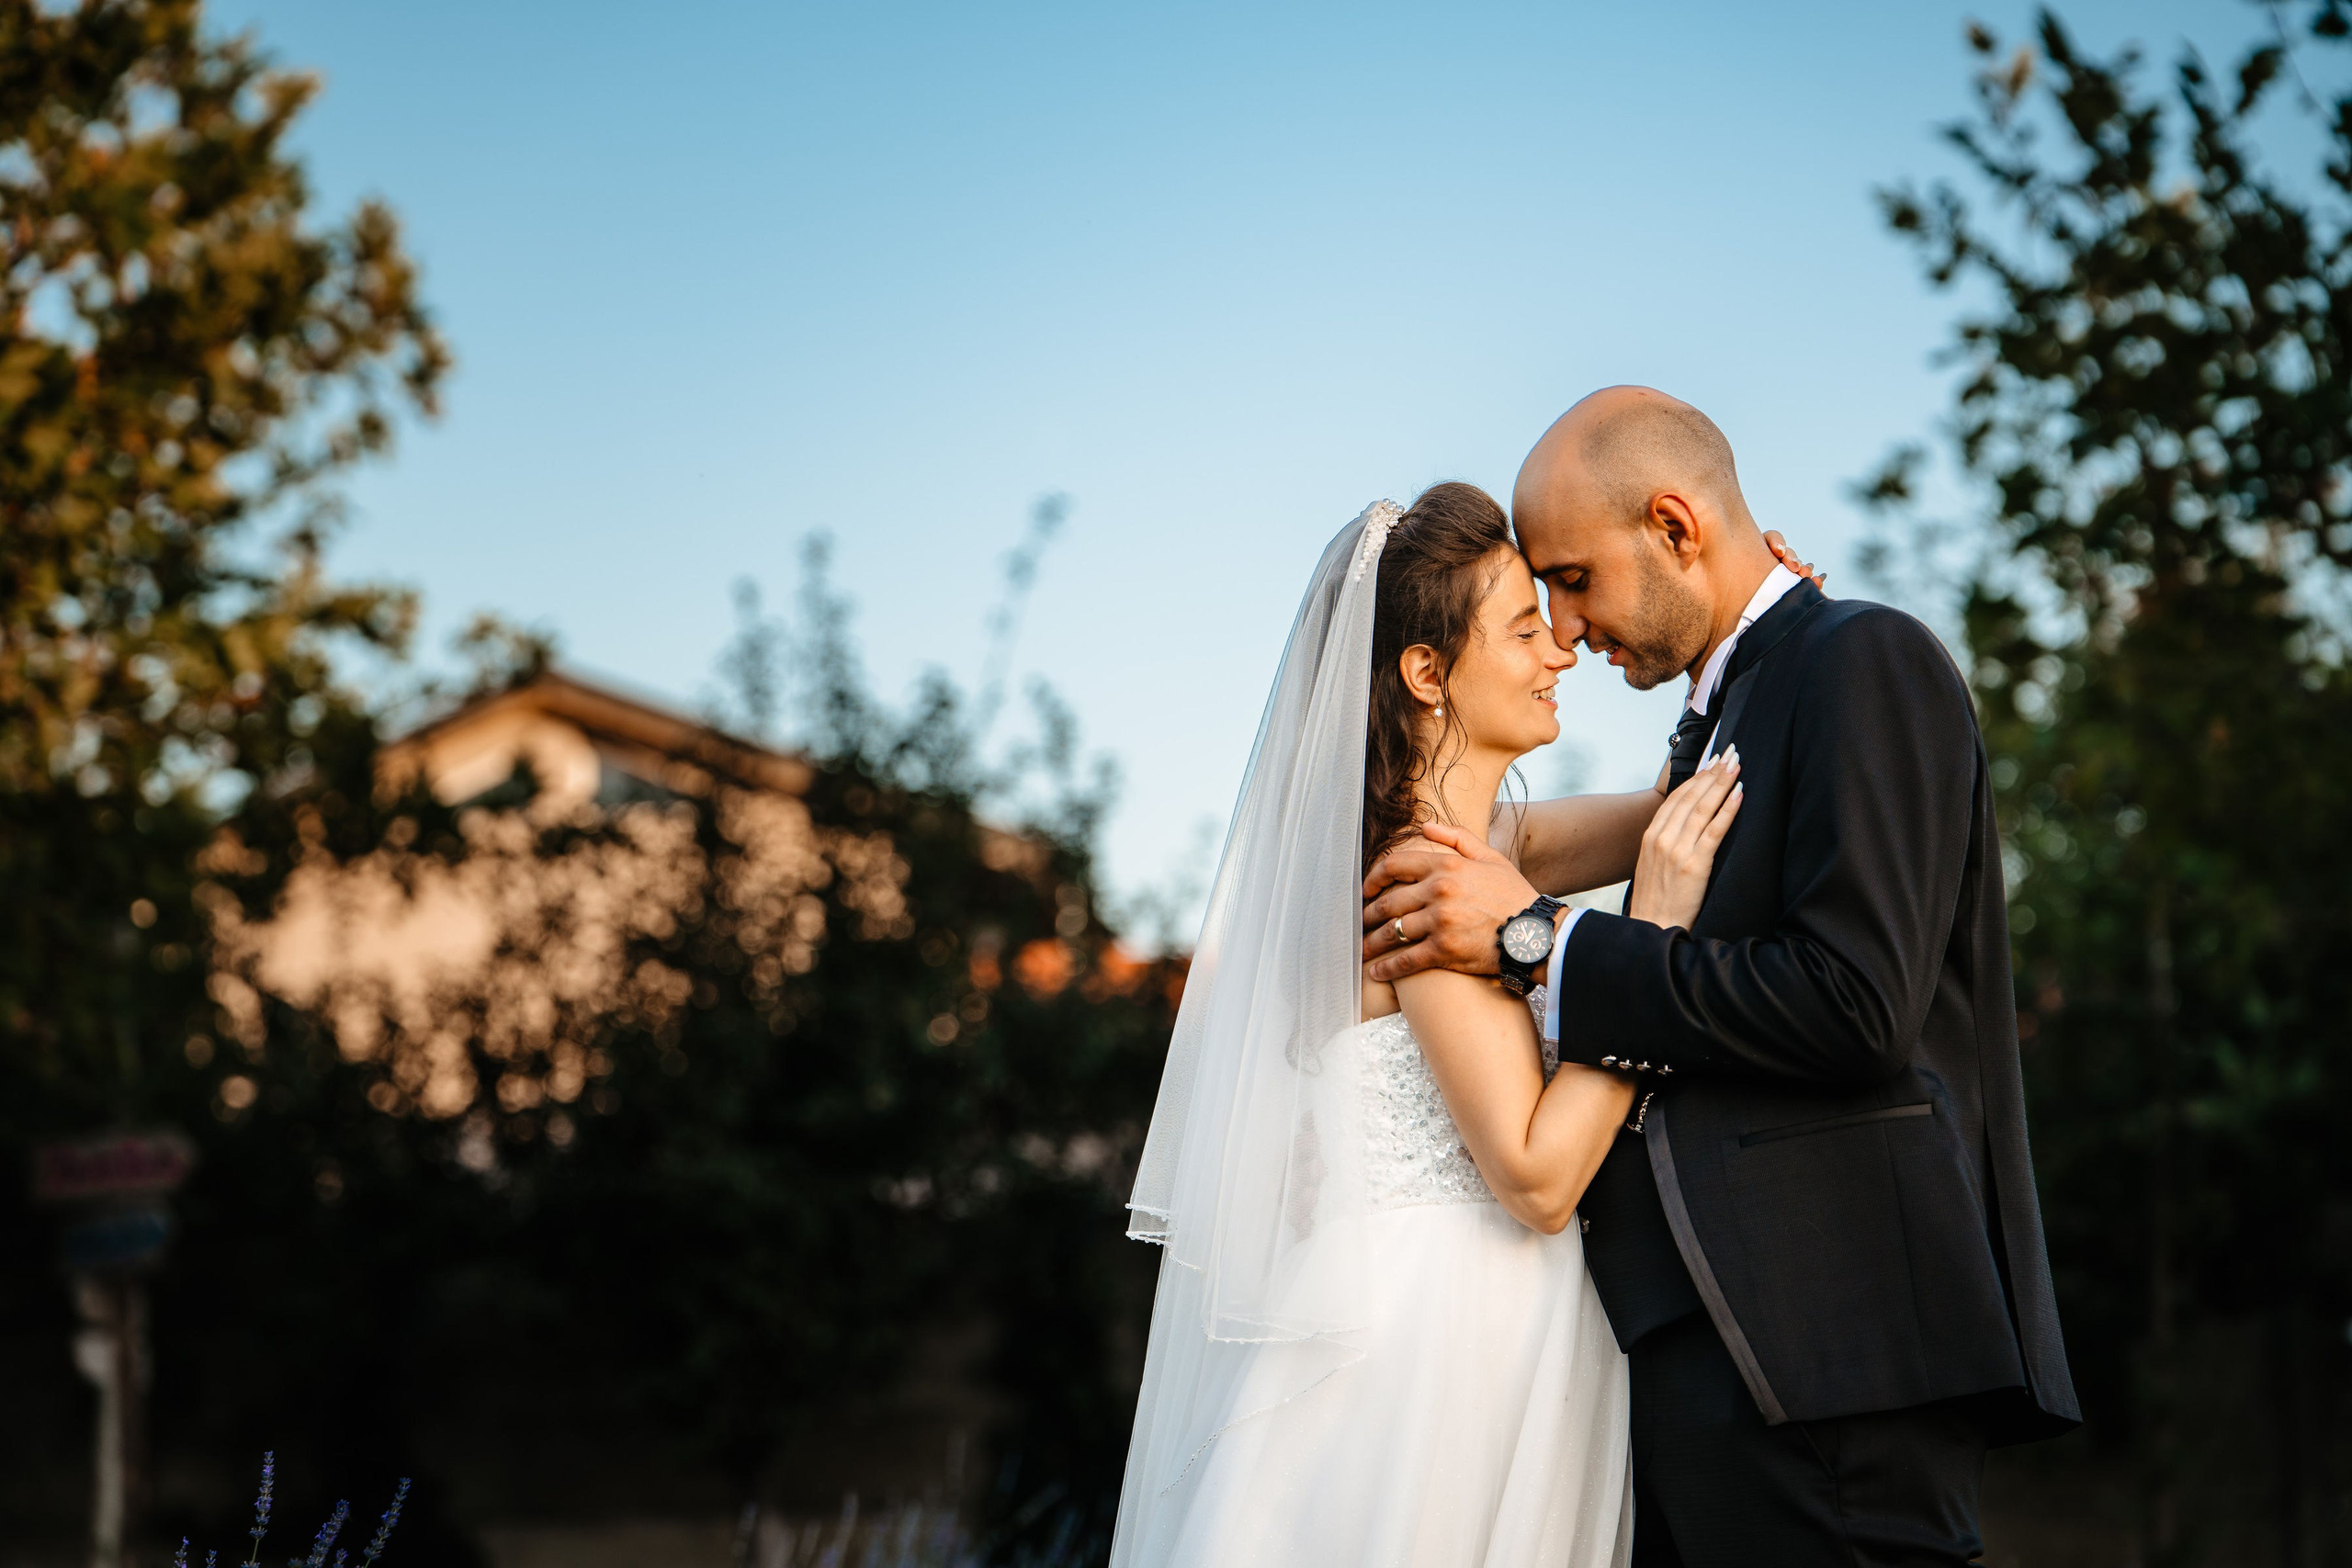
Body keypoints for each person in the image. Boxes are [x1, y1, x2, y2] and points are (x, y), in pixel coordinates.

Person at [1363, 388, 2079, 1567]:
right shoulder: (1725, 714)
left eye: (1576, 579)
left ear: (1674, 527)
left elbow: (1856, 1006)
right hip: (1695, 1364)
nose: (1566, 628)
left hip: (1825, 1354)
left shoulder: (1863, 659)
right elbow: (1506, 836)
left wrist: (1544, 942)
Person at [1109, 484, 1754, 1568]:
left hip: (1485, 1321)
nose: (1557, 649)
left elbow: (1674, 813)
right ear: (1425, 673)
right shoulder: (1422, 882)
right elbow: (1539, 1176)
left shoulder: (1480, 848)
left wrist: (1743, 637)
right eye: (1520, 628)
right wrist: (1650, 942)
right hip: (1438, 1339)